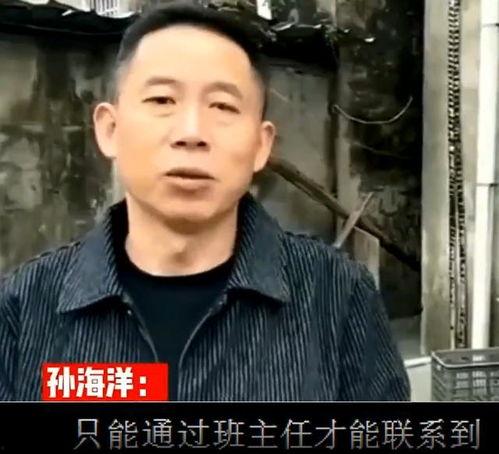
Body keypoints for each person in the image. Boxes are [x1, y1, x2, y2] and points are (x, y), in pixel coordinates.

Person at [0, 2, 410, 401]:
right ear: (109, 129)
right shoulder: (25, 305)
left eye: (223, 106)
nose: (192, 132)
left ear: (261, 145)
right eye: (162, 100)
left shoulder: (338, 297)